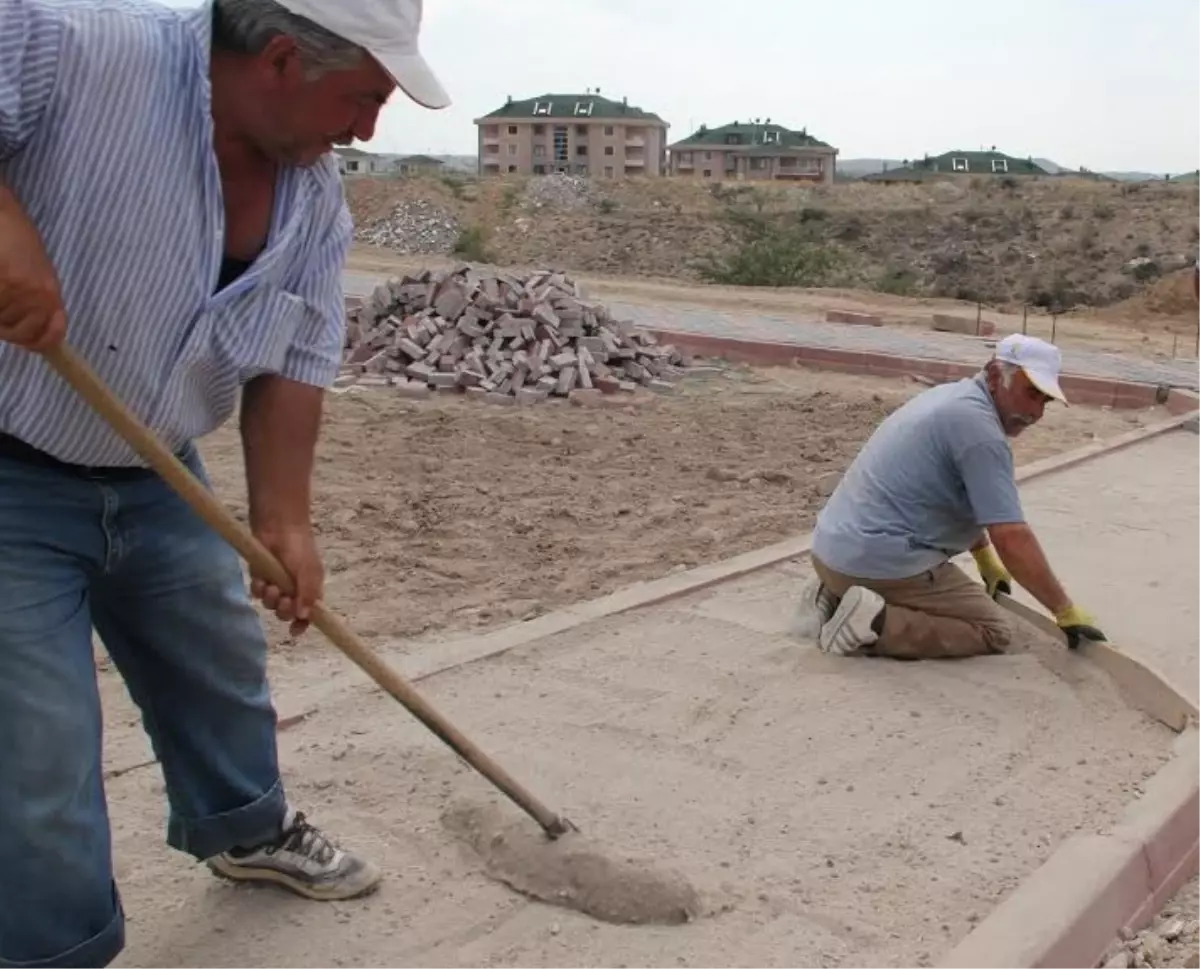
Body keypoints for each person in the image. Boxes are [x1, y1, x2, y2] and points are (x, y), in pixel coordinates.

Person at [0, 0, 449, 965]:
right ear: (283, 57)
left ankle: (245, 826)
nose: (368, 131)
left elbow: (294, 355)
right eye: (363, 98)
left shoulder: (315, 197)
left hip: (159, 468)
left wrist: (285, 521)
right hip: (10, 468)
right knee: (35, 753)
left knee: (219, 663)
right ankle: (52, 949)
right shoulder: (71, 43)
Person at [796, 333, 1107, 660]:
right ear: (995, 375)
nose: (1036, 413)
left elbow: (959, 497)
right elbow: (1012, 537)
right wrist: (1063, 610)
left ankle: (831, 596)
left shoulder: (950, 396)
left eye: (1045, 401)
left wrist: (984, 559)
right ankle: (874, 623)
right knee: (992, 630)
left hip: (830, 552)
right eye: (1031, 394)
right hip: (874, 562)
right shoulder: (981, 434)